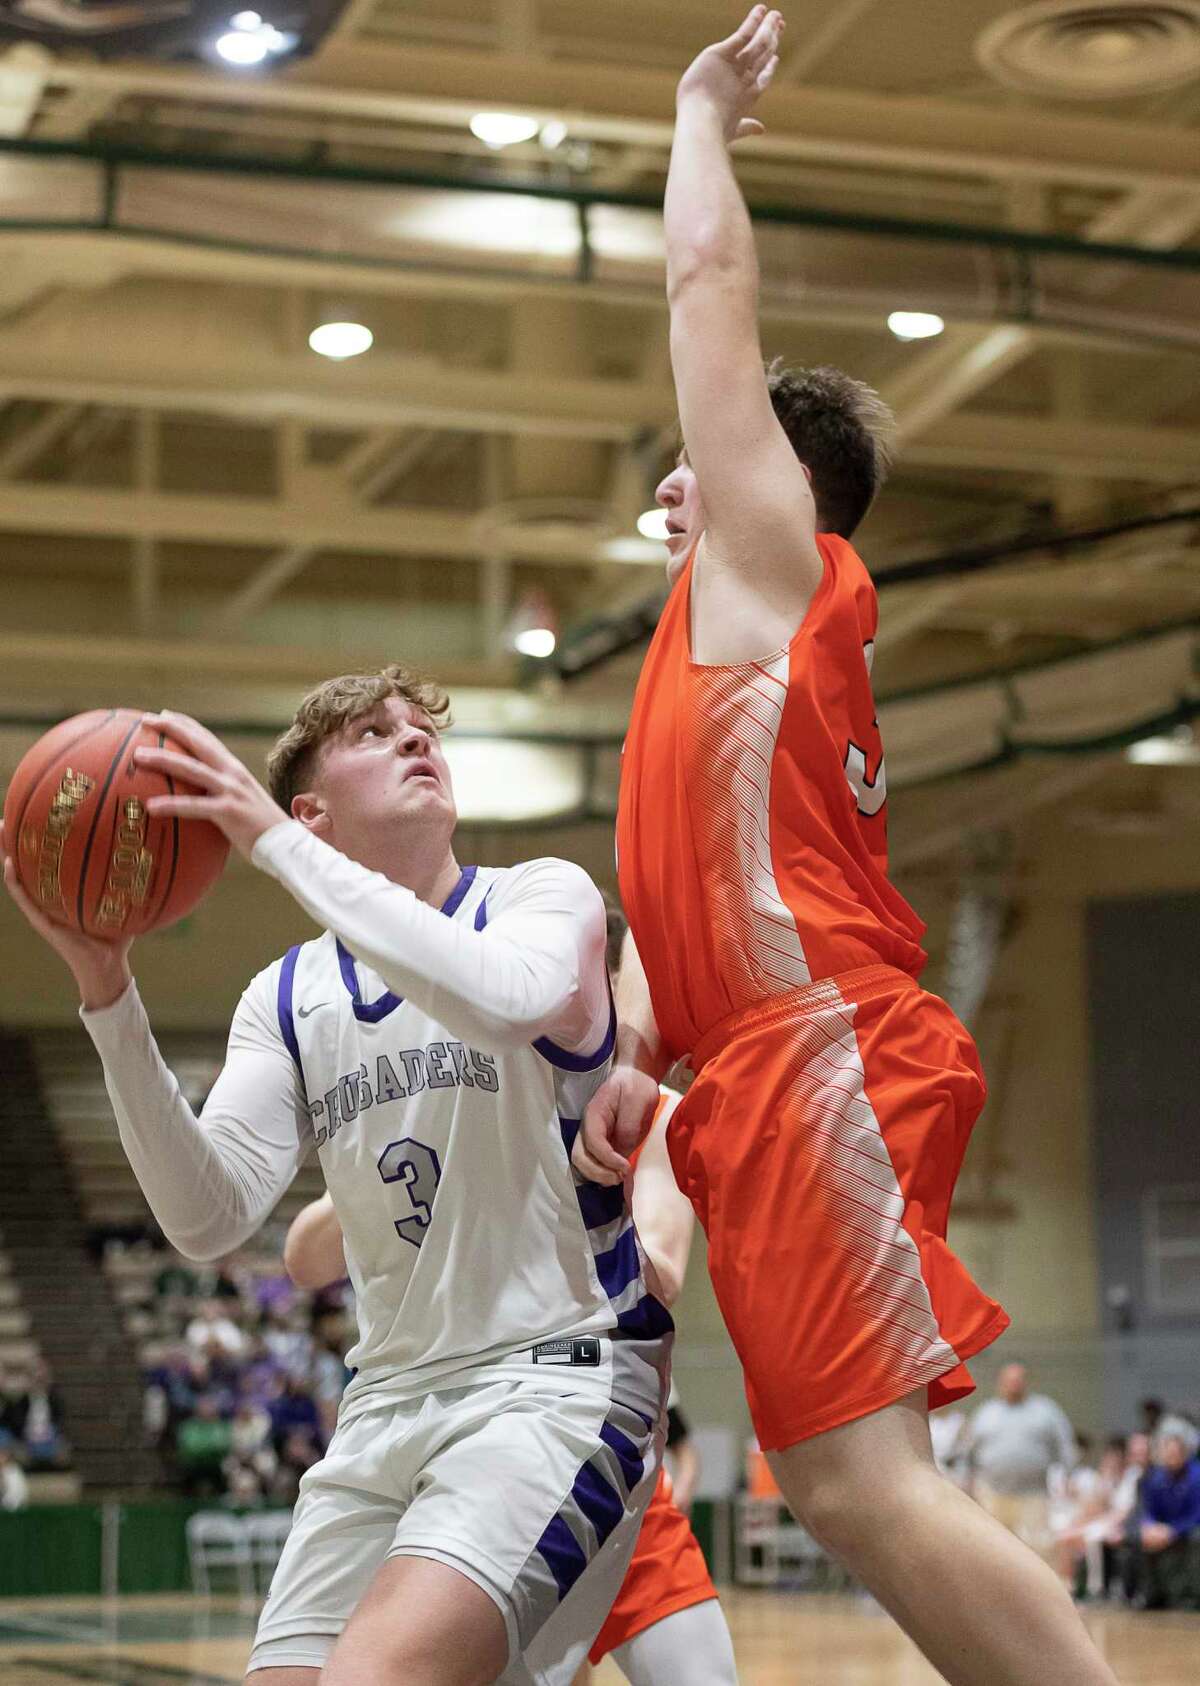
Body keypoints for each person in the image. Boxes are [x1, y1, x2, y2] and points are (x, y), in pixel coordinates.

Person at [572, 10, 1121, 1684]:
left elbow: (699, 298)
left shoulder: (775, 557)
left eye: (719, 434)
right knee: (853, 1483)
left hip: (822, 1053)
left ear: (777, 471)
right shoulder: (721, 635)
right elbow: (687, 900)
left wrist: (699, 120)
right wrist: (638, 1058)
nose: (688, 450)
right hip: (782, 1060)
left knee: (861, 1484)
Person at [2, 666, 669, 1686]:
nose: (414, 740)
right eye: (372, 733)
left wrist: (268, 843)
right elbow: (207, 1217)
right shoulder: (284, 996)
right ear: (311, 808)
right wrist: (109, 996)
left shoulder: (540, 897)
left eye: (420, 728)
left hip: (554, 1380)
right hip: (382, 1407)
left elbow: (505, 1001)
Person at [285, 917, 738, 1686]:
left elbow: (663, 1272)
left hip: (604, 1465)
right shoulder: (461, 1094)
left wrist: (580, 1198)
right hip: (480, 1451)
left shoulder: (649, 1109)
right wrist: (428, 1171)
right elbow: (304, 1257)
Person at [965, 1363, 1077, 1561]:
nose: (1014, 1384)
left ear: (1026, 1382)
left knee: (1039, 1549)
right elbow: (969, 1454)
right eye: (1009, 1380)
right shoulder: (985, 1413)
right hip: (992, 1494)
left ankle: (1040, 1592)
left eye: (1018, 1380)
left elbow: (1065, 1446)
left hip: (1033, 1494)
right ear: (1000, 1383)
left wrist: (1068, 1477)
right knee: (993, 1550)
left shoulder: (1046, 1410)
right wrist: (968, 1487)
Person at [1129, 1418, 1200, 1610]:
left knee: (1196, 1538)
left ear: (1185, 1452)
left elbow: (1196, 1515)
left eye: (1176, 1452)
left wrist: (1172, 1530)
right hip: (1162, 1528)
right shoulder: (1155, 1477)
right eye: (1167, 1452)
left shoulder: (1196, 1476)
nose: (1171, 1455)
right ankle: (1150, 1593)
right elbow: (1149, 1509)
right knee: (1138, 1535)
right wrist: (1150, 1526)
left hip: (1187, 1528)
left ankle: (1190, 1597)